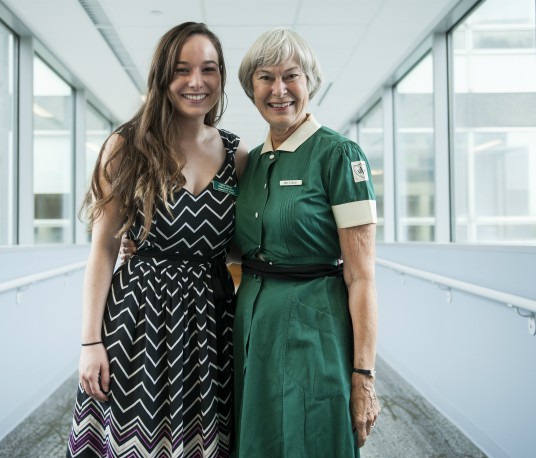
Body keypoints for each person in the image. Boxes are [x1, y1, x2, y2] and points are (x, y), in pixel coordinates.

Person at [66, 22, 247, 458]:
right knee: (135, 439)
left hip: (210, 323)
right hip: (138, 319)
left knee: (205, 440)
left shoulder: (238, 156)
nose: (196, 82)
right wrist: (90, 342)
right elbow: (104, 249)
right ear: (162, 76)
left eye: (208, 69)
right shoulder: (127, 146)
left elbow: (239, 246)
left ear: (222, 77)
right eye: (182, 70)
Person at [231, 28, 380, 456]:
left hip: (316, 328)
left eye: (290, 76)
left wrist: (364, 376)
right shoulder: (252, 163)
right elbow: (245, 246)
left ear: (309, 82)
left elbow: (362, 276)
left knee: (312, 437)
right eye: (265, 77)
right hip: (254, 327)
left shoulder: (339, 155)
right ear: (250, 88)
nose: (279, 90)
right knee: (258, 439)